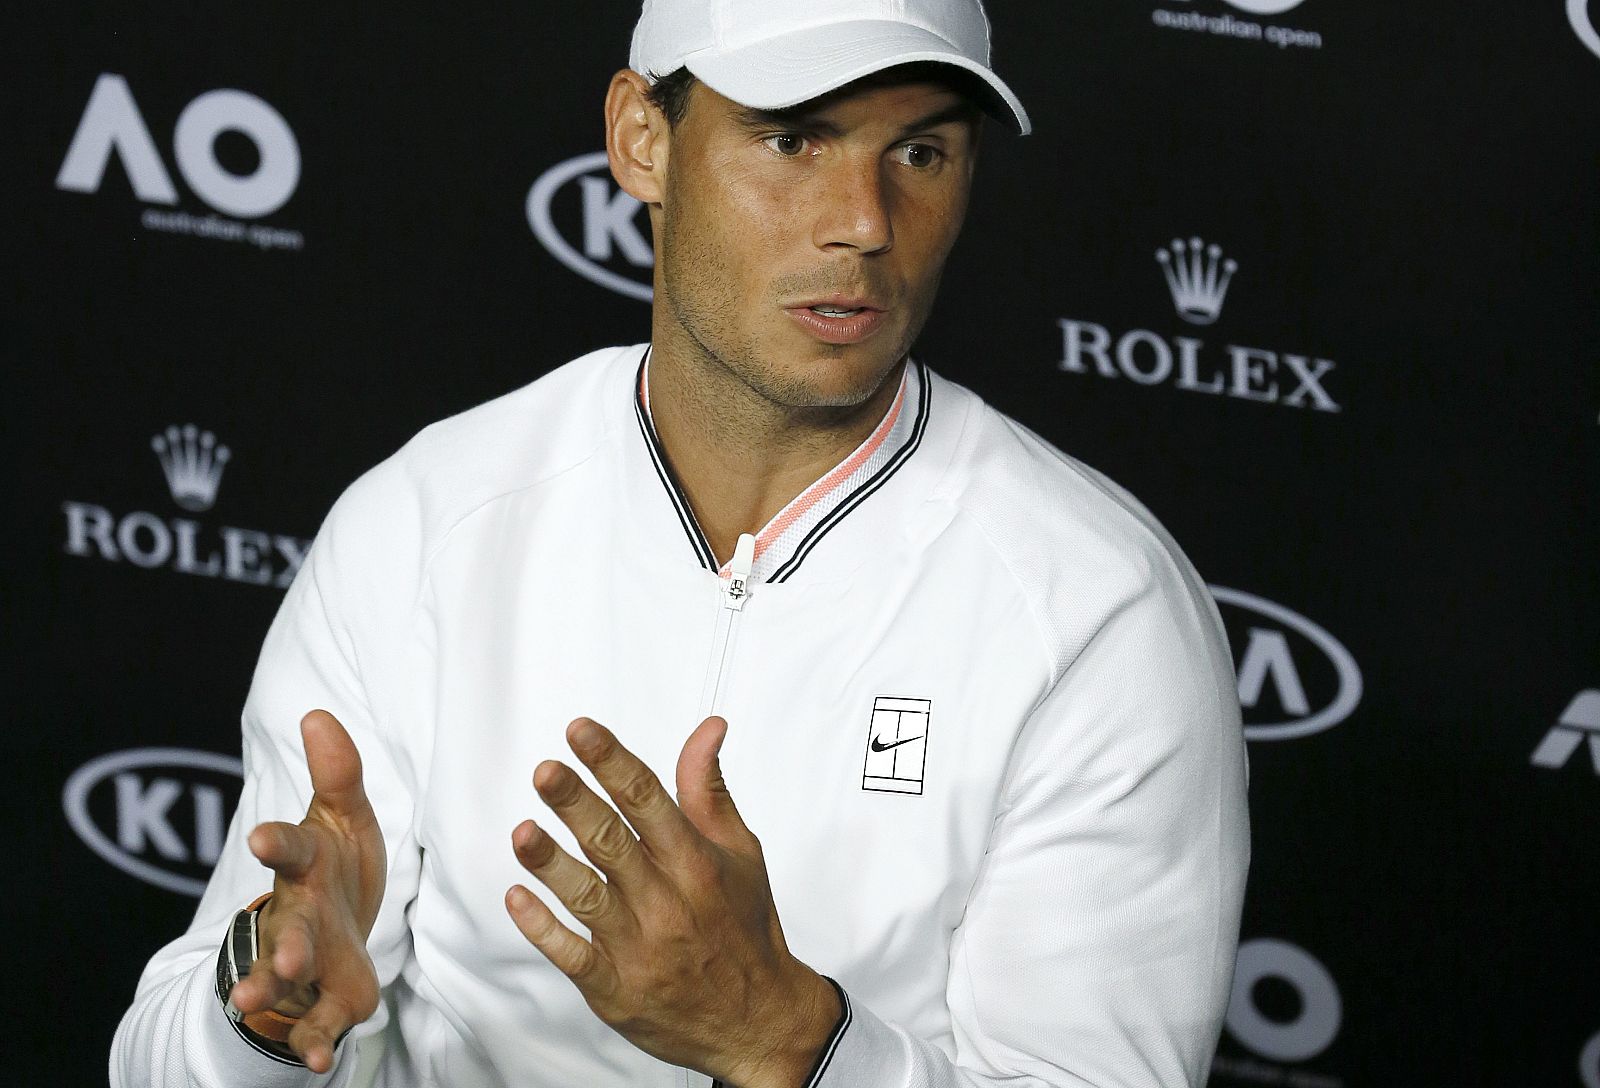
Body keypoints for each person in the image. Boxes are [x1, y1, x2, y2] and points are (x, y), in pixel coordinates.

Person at [112, 1, 1250, 1085]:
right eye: (792, 139)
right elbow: (159, 1062)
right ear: (641, 140)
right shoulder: (427, 524)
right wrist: (262, 1012)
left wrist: (786, 1040)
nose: (863, 221)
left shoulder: (1093, 609)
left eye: (921, 152)